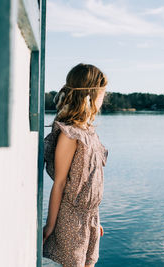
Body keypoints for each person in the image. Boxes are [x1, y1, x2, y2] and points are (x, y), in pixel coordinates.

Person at [42, 63, 109, 267]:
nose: (104, 98)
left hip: (90, 218)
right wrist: (50, 226)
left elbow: (90, 180)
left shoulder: (89, 132)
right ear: (89, 95)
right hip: (70, 219)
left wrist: (95, 221)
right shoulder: (69, 135)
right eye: (102, 93)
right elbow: (60, 183)